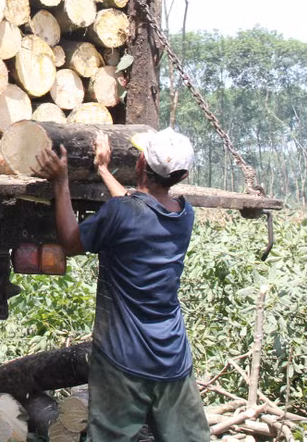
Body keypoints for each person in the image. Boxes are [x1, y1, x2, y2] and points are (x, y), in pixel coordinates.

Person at [32, 129, 208, 442]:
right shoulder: (184, 214)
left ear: (140, 162)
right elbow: (135, 207)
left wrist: (61, 183)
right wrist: (102, 170)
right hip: (172, 358)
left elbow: (71, 242)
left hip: (122, 361)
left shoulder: (121, 213)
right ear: (181, 176)